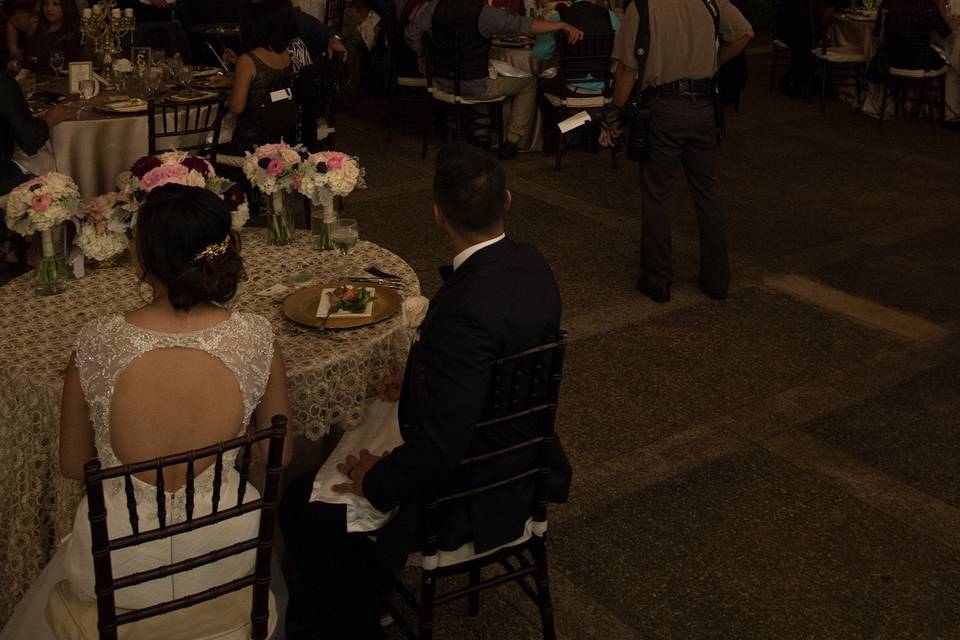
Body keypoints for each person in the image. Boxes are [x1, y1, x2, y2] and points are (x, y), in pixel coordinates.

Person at [280, 142, 568, 639]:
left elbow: (441, 447)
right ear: (508, 201)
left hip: (473, 488)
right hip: (525, 453)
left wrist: (377, 479)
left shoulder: (466, 308)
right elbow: (495, 360)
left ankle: (357, 619)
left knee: (302, 505)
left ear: (437, 215)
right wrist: (420, 374)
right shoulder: (531, 264)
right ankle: (368, 586)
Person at [0, 184, 293, 639]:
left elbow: (73, 464)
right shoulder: (259, 337)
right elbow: (282, 453)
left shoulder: (96, 342)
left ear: (142, 258)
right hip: (226, 551)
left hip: (120, 567)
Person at [610, 0, 752, 302]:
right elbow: (744, 33)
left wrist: (616, 113)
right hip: (704, 108)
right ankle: (716, 280)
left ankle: (657, 279)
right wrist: (716, 60)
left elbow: (627, 68)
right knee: (707, 195)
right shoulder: (710, 1)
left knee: (657, 196)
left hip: (662, 108)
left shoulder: (643, 8)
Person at [405, 0, 586, 159]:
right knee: (529, 82)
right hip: (471, 86)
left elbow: (411, 33)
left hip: (441, 82)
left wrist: (422, 54)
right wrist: (560, 25)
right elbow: (523, 25)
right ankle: (512, 141)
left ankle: (481, 132)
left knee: (488, 73)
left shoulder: (436, 6)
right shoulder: (483, 13)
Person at [213, 0, 297, 151]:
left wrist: (227, 96)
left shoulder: (248, 60)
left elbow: (237, 108)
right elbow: (266, 83)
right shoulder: (284, 54)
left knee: (207, 143)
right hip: (279, 135)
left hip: (252, 142)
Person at [874, 0, 954, 71]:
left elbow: (876, 36)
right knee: (952, 62)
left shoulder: (886, 3)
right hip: (921, 62)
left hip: (891, 60)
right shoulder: (928, 5)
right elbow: (946, 34)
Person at [20, 0, 82, 74]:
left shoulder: (73, 36)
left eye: (55, 4)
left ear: (66, 7)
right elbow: (25, 62)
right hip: (33, 81)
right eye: (45, 4)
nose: (49, 9)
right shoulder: (36, 32)